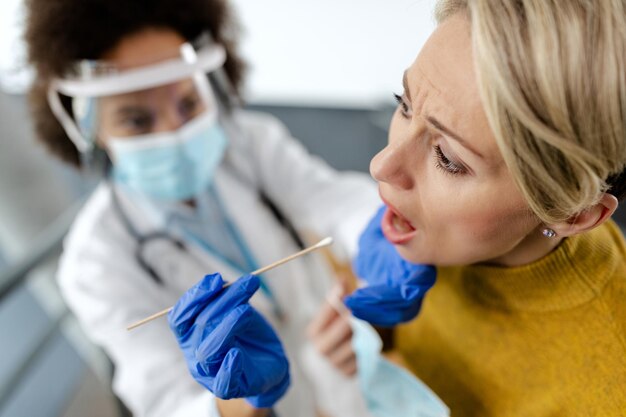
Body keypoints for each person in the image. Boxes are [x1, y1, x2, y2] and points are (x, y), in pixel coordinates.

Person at [24, 0, 379, 416]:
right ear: (86, 128)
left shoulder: (251, 144)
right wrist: (241, 398)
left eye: (188, 104)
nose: (174, 133)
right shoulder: (94, 263)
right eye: (137, 121)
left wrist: (377, 240)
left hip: (351, 385)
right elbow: (169, 403)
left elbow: (336, 201)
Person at [341, 0, 626, 416]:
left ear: (571, 214)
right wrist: (365, 332)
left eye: (448, 159)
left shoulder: (609, 391)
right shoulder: (450, 236)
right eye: (404, 103)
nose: (381, 166)